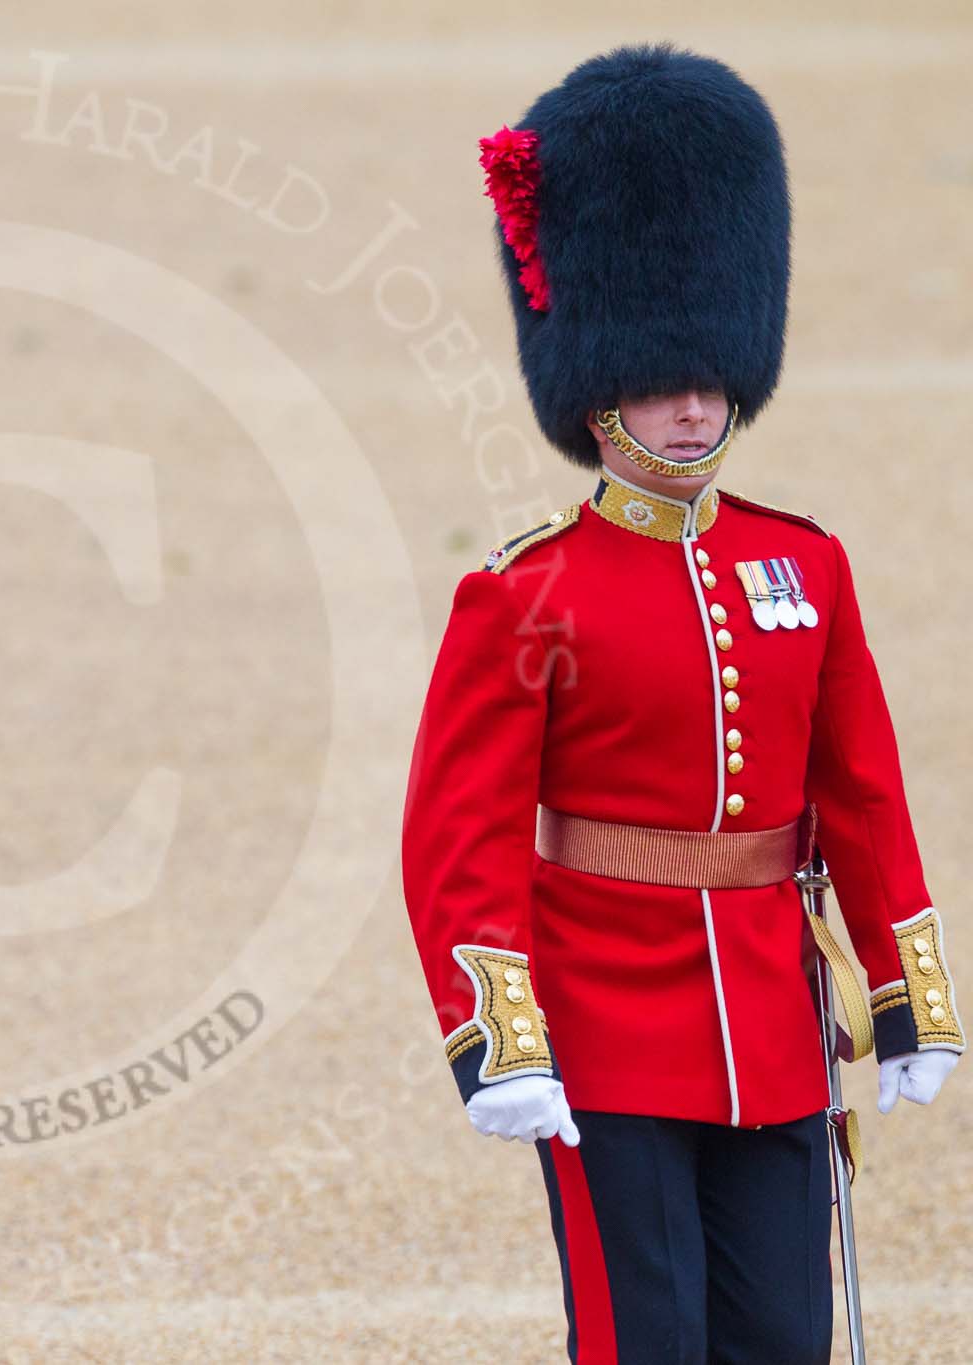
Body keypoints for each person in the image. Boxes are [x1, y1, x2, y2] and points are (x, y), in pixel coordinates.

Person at [402, 45, 960, 1363]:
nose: (697, 399)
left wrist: (905, 985)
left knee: (779, 1335)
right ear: (600, 389)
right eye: (664, 377)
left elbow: (862, 791)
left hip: (769, 1022)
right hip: (601, 1027)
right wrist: (498, 1035)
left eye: (710, 372)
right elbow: (458, 836)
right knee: (645, 1337)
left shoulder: (802, 564)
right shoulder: (527, 592)